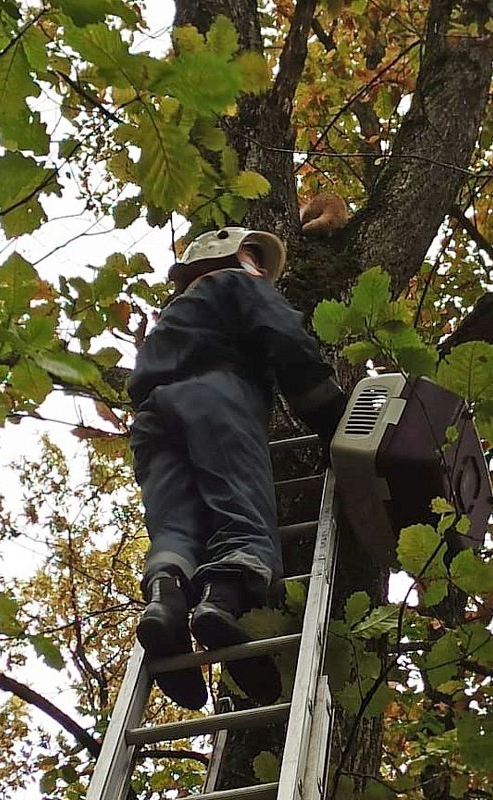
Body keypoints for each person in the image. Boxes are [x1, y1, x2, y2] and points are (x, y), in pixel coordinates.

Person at [127, 226, 347, 709]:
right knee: (241, 507)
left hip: (151, 423)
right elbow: (285, 337)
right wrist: (331, 416)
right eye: (256, 259)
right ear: (229, 259)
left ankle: (166, 605)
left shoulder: (170, 319)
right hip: (216, 400)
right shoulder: (235, 284)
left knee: (176, 525)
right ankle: (222, 603)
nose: (264, 270)